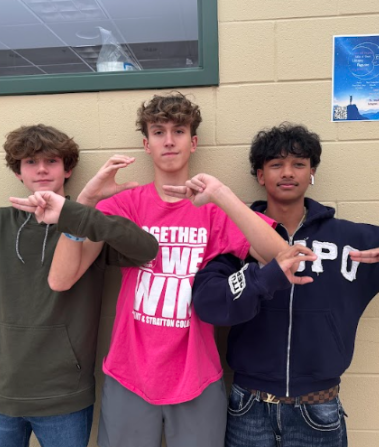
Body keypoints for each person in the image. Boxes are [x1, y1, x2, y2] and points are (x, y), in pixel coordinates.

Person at [39, 93, 315, 447]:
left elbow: (282, 258)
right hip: (130, 374)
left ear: (193, 141)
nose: (169, 140)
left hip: (197, 375)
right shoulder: (125, 205)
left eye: (179, 130)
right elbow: (61, 279)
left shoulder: (213, 209)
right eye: (158, 132)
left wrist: (222, 195)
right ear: (146, 144)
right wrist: (86, 203)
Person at [190, 122, 379, 447]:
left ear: (312, 172)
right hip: (249, 408)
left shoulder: (350, 241)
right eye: (276, 164)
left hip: (318, 410)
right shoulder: (234, 236)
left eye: (299, 164)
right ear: (260, 175)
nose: (287, 172)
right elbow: (209, 303)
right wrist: (262, 275)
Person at [0, 124, 158, 447]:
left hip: (64, 399)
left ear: (67, 170)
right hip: (2, 396)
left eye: (51, 161)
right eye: (30, 162)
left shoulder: (85, 225)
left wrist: (80, 211)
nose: (41, 169)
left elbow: (146, 250)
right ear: (18, 173)